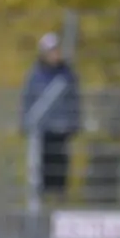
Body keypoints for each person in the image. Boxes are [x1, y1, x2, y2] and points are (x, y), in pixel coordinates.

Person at [21, 32, 83, 199]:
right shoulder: (35, 76)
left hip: (62, 131)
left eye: (56, 50)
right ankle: (41, 202)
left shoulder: (67, 74)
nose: (54, 54)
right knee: (40, 173)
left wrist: (74, 123)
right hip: (42, 133)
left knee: (60, 172)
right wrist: (25, 123)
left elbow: (74, 100)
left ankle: (57, 200)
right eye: (50, 51)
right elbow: (28, 100)